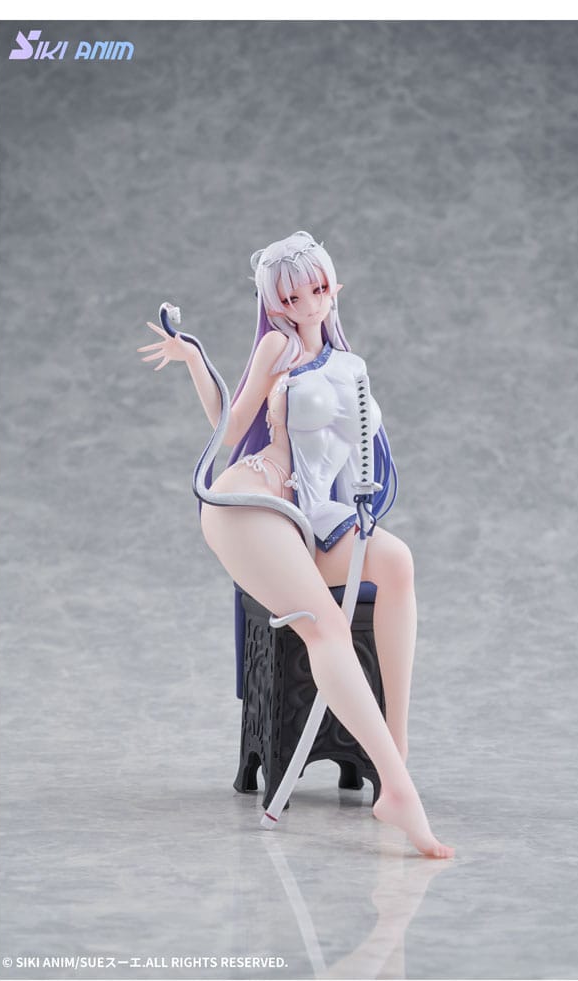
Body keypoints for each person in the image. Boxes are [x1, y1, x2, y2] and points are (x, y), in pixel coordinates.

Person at [139, 231, 454, 859]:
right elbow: (230, 426)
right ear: (274, 303)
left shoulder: (349, 364)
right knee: (325, 628)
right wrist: (196, 359)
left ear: (333, 286)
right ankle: (398, 791)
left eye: (318, 288)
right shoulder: (278, 347)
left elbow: (354, 454)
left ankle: (395, 750)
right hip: (252, 497)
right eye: (291, 296)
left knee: (396, 563)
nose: (308, 303)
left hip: (310, 513)